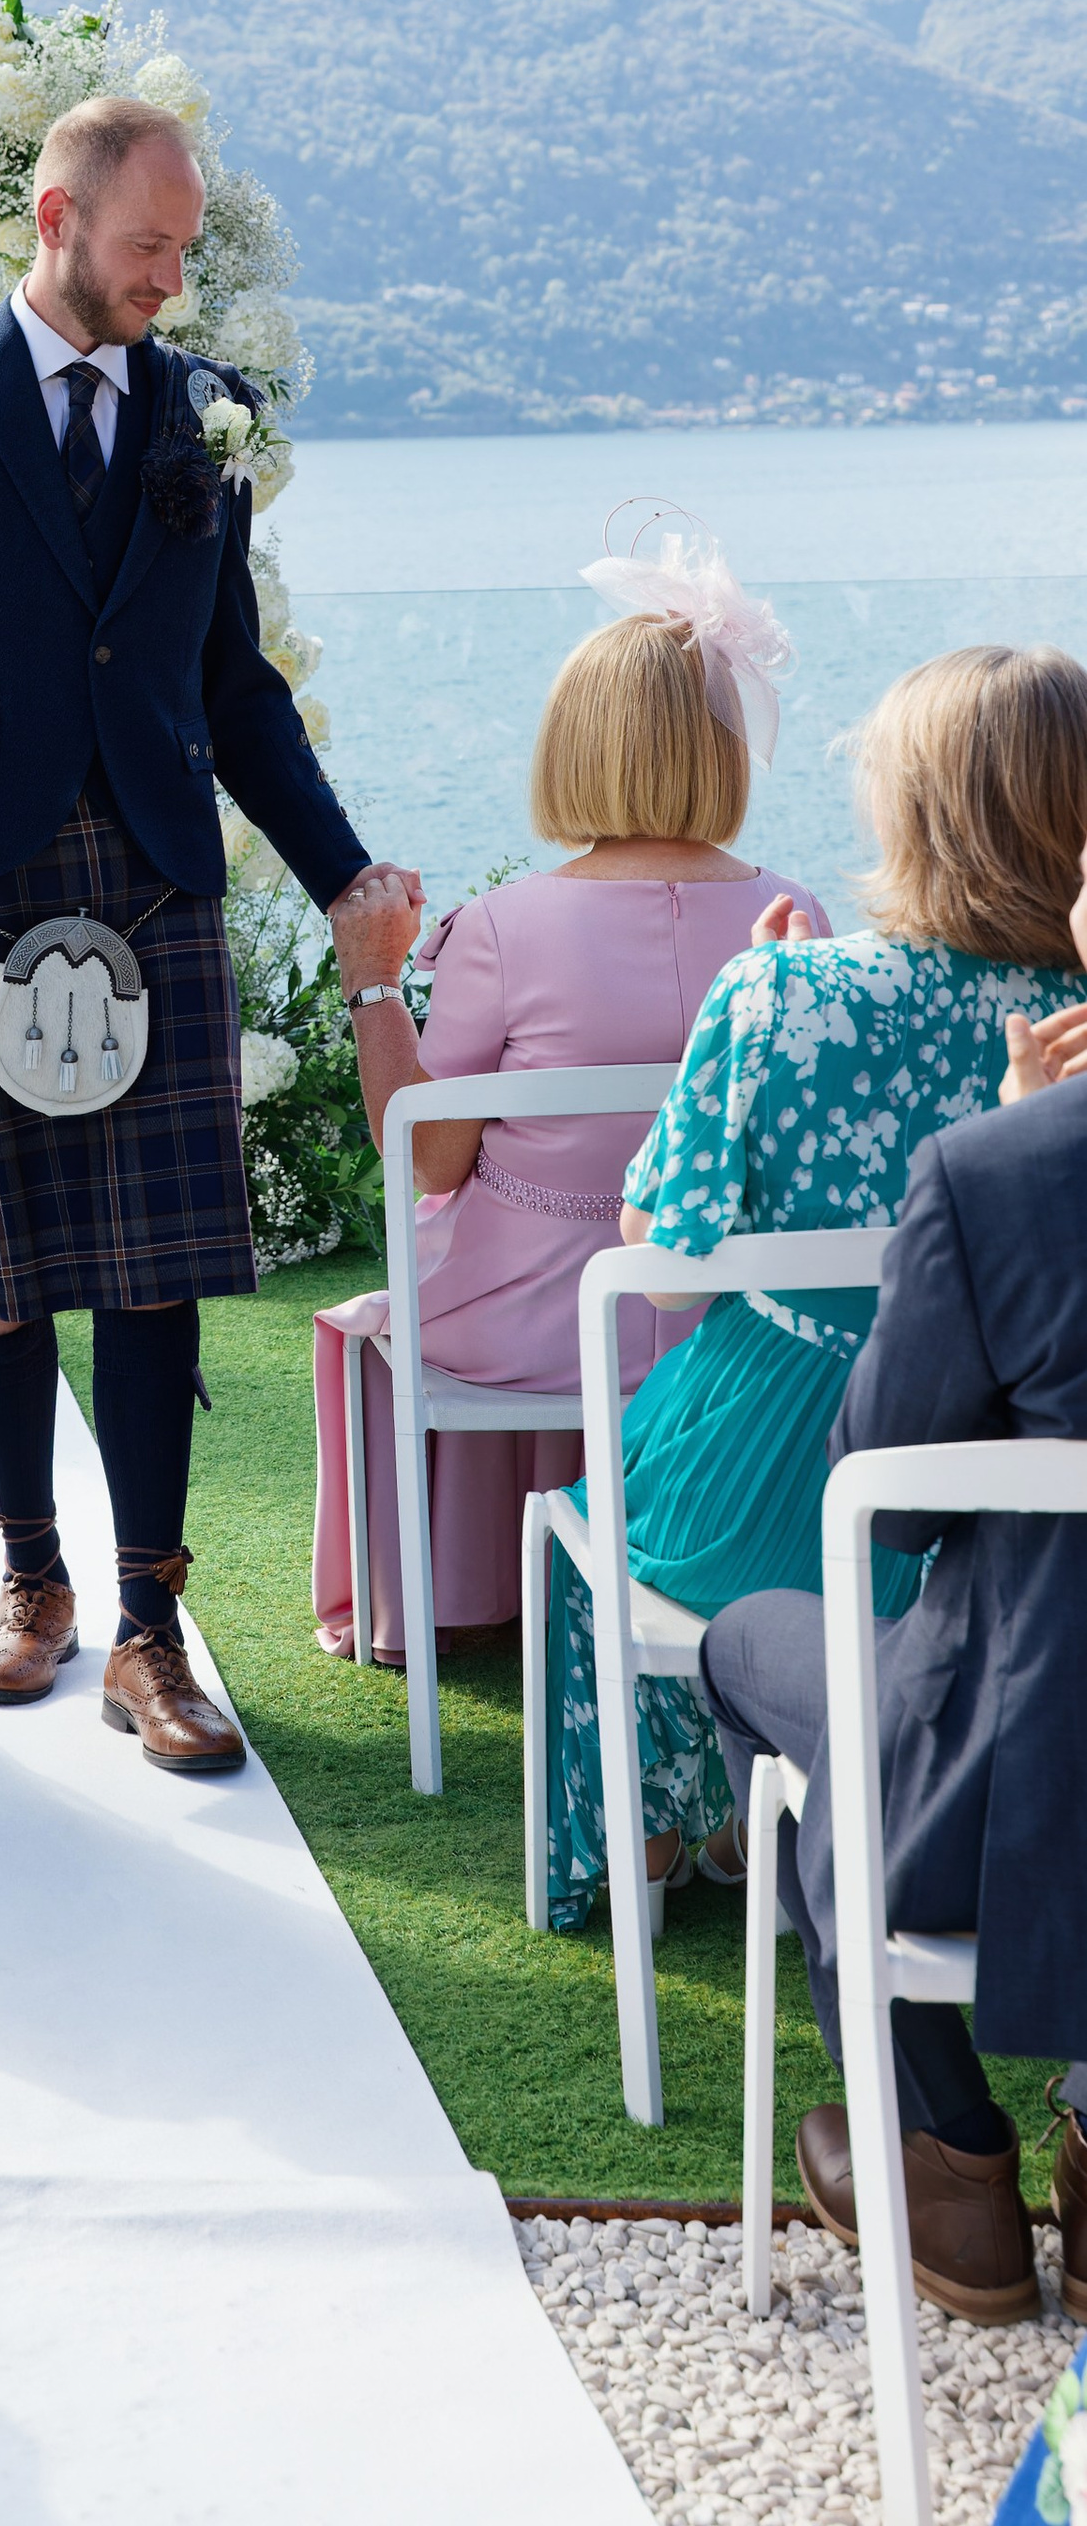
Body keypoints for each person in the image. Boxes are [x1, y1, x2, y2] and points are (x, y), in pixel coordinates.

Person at [0, 96, 415, 1773]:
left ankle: (150, 1626)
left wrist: (340, 866)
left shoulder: (209, 414)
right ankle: (34, 1581)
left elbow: (232, 685)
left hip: (148, 862)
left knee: (151, 1264)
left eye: (189, 247)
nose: (172, 275)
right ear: (56, 215)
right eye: (151, 244)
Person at [537, 641, 1087, 1933]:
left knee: (588, 1530)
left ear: (916, 817)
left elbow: (655, 1253)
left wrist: (763, 1004)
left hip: (761, 1485)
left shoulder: (779, 993)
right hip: (999, 1515)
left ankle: (659, 1841)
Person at [700, 819, 1087, 2325]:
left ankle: (944, 2151)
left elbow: (891, 1486)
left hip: (1007, 1778)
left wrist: (1004, 1132)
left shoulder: (999, 1172)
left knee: (752, 1643)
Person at [317, 558, 824, 1671]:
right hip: (728, 1325)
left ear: (573, 747)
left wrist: (374, 982)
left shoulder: (503, 926)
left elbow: (430, 1159)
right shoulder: (800, 911)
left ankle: (456, 1593)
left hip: (530, 1329)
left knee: (374, 1318)